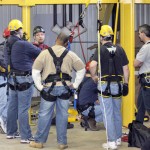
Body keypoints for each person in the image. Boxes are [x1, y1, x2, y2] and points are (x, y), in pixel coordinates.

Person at [29, 32, 85, 149]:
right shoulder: (70, 54)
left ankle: (39, 142)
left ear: (56, 39)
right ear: (66, 43)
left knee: (44, 115)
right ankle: (62, 143)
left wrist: (39, 87)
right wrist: (75, 85)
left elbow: (35, 70)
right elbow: (81, 69)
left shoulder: (44, 53)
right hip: (65, 88)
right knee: (62, 115)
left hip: (49, 88)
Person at [89, 25, 129, 150]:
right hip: (118, 83)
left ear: (101, 37)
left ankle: (111, 141)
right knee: (117, 112)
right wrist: (126, 84)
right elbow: (126, 68)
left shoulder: (100, 50)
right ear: (111, 36)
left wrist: (94, 76)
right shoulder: (120, 49)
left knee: (107, 113)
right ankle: (117, 139)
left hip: (105, 83)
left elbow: (92, 65)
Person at [6, 19, 41, 143]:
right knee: (23, 108)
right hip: (24, 79)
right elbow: (39, 53)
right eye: (21, 29)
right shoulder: (23, 44)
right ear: (18, 30)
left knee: (12, 106)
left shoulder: (7, 43)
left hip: (12, 78)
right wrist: (34, 44)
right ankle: (25, 136)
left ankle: (11, 132)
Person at [78, 61, 103, 131]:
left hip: (83, 108)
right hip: (87, 108)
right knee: (109, 108)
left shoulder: (85, 79)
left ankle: (86, 118)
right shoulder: (94, 81)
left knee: (101, 102)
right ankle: (92, 120)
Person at [134, 24, 150, 124]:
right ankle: (138, 129)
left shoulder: (146, 48)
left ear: (143, 34)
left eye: (139, 33)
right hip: (145, 81)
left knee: (148, 106)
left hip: (147, 81)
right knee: (140, 106)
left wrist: (136, 61)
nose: (139, 35)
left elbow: (136, 63)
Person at [0, 28, 10, 134]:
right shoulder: (3, 48)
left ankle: (3, 121)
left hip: (5, 77)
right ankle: (3, 121)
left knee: (7, 101)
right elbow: (4, 63)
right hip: (2, 78)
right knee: (3, 102)